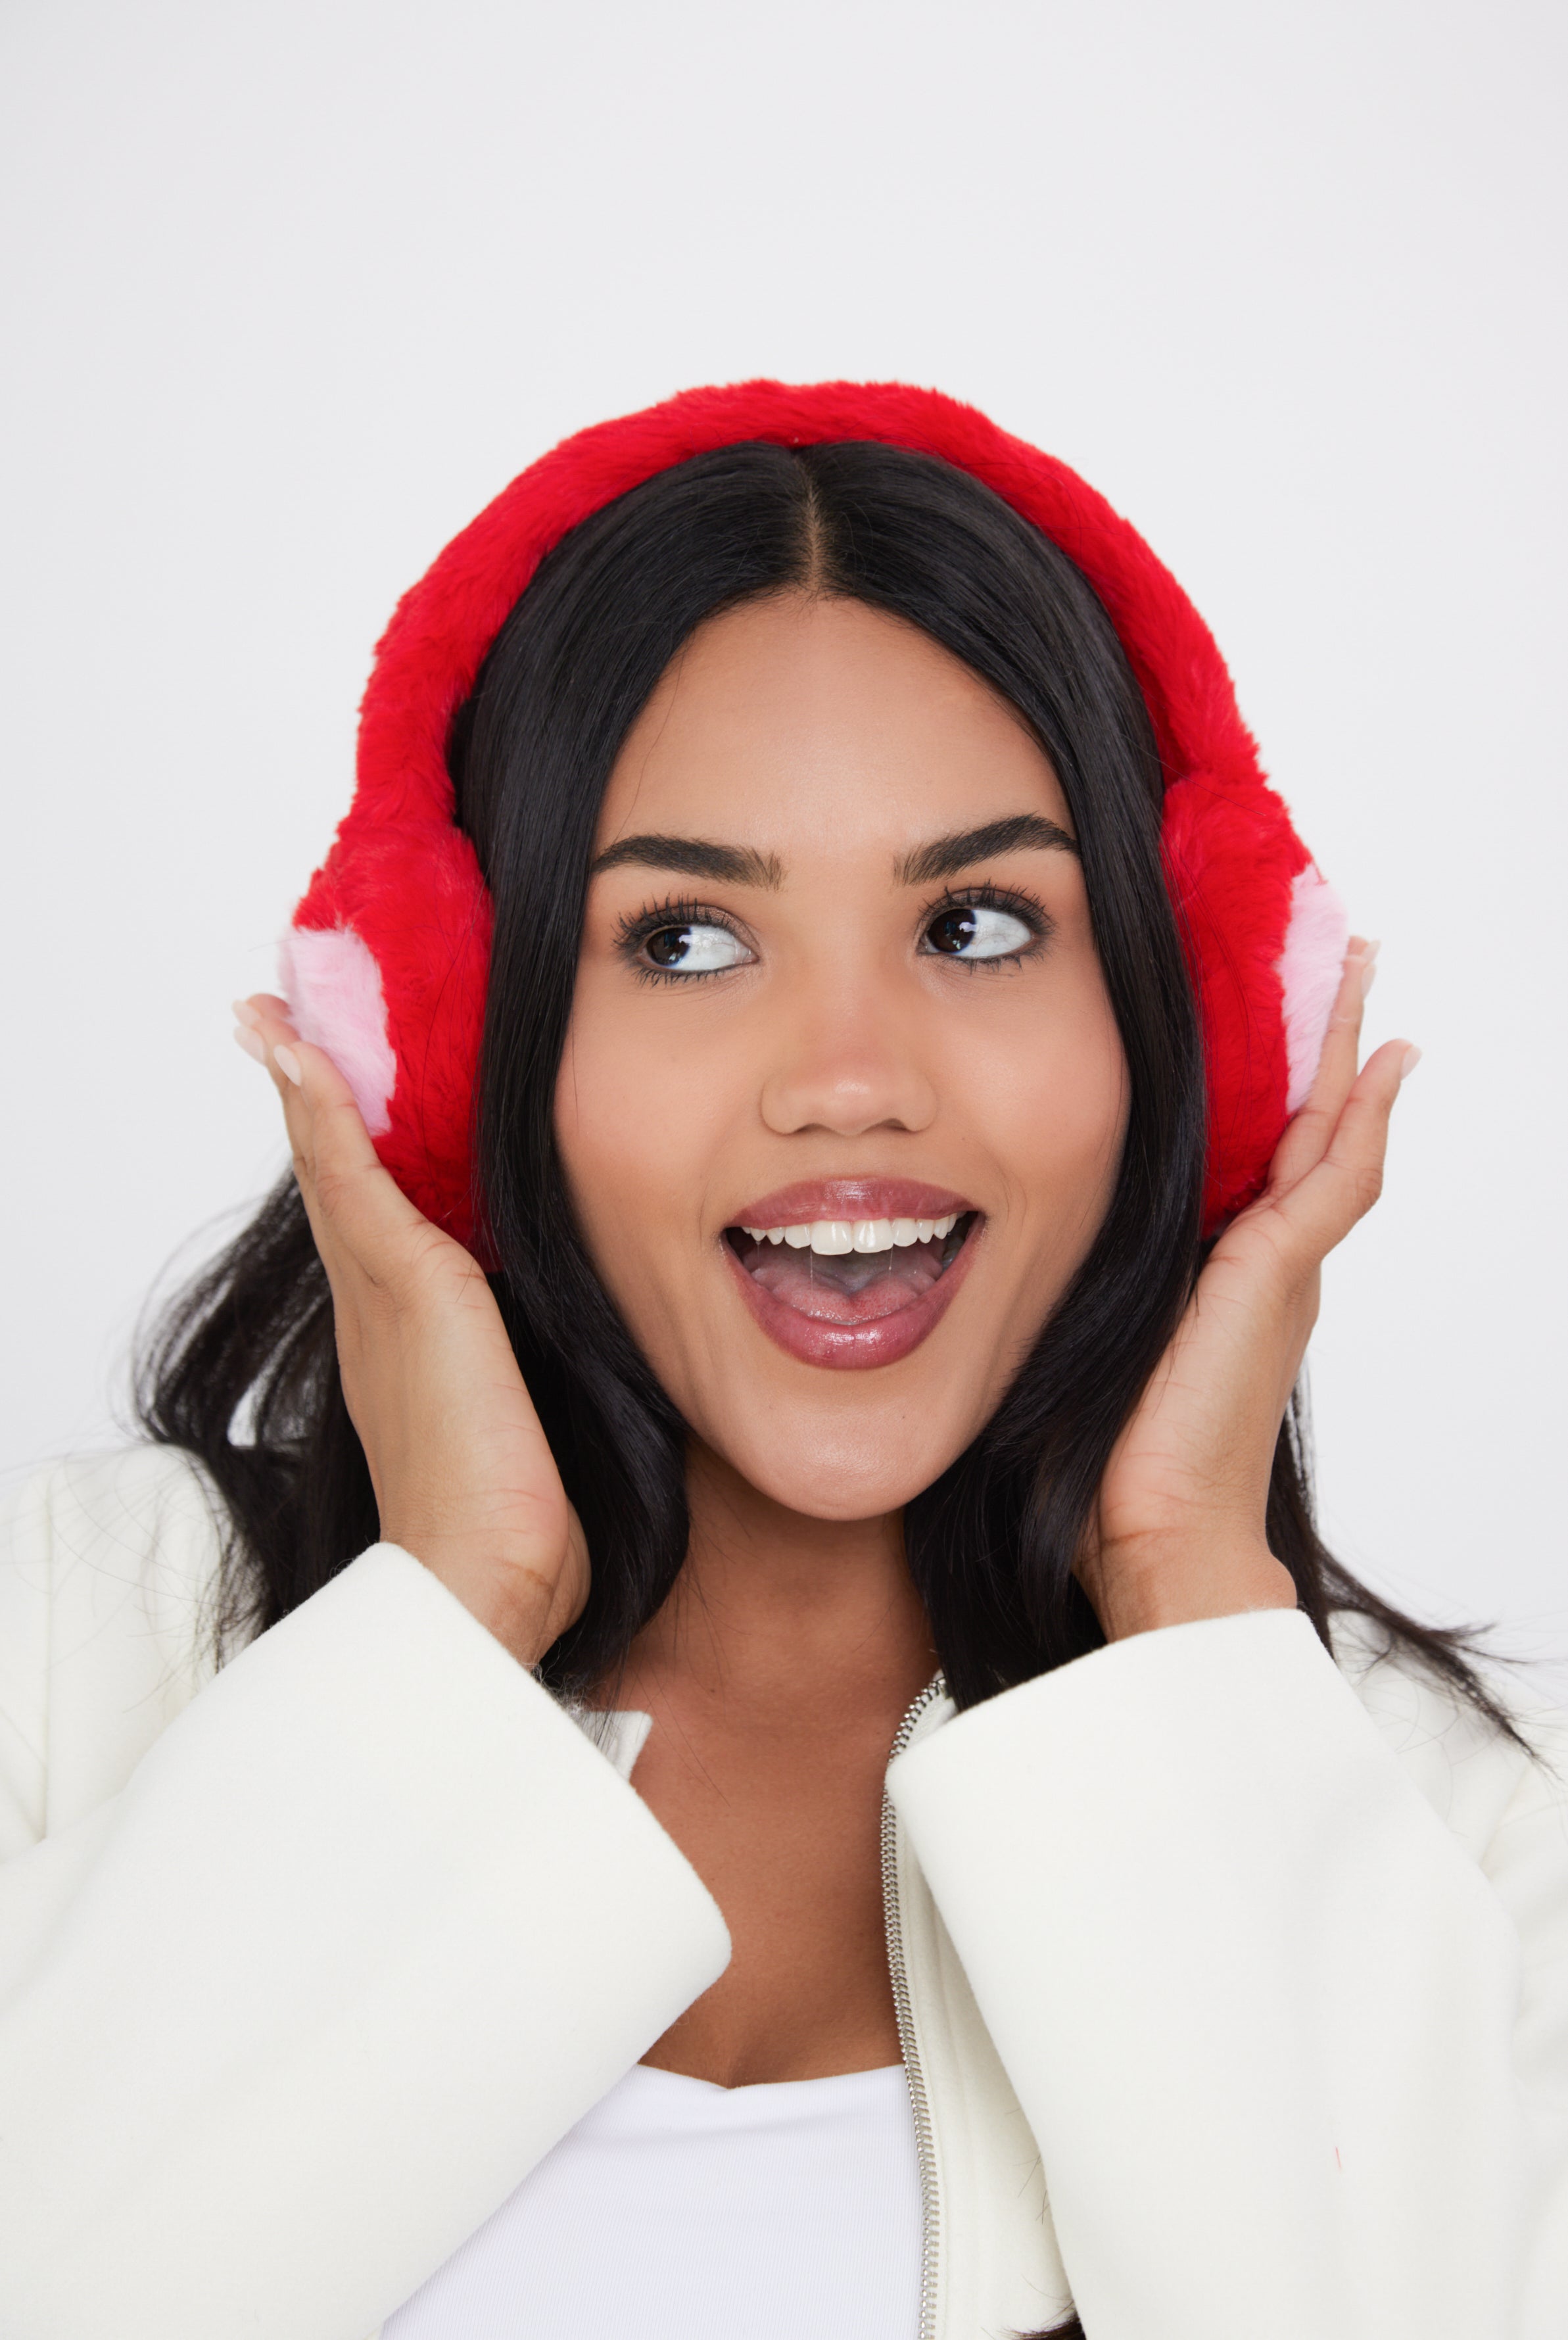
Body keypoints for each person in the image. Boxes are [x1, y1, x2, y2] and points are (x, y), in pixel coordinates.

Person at [1, 382, 1563, 2340]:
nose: (847, 1080)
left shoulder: (1461, 1832)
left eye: (979, 922)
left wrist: (1186, 1596)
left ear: (1189, 1028)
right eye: (682, 939)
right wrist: (445, 1610)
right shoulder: (65, 1649)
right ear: (451, 1034)